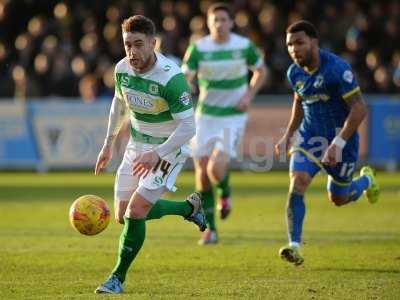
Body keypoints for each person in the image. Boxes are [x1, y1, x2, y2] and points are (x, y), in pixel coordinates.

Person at [93, 15, 207, 294]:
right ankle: (188, 208)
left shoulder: (171, 78)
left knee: (136, 210)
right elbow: (118, 106)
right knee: (122, 215)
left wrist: (158, 153)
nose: (132, 52)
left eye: (138, 44)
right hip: (137, 147)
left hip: (169, 149)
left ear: (153, 43)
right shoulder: (121, 70)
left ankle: (116, 278)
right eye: (127, 45)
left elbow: (189, 126)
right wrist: (107, 144)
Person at [274, 20, 380, 266]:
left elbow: (359, 109)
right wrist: (289, 133)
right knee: (297, 182)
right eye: (289, 45)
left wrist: (338, 143)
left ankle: (366, 181)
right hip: (310, 137)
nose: (294, 49)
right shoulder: (294, 72)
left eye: (299, 43)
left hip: (342, 141)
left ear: (314, 42)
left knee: (339, 198)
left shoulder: (337, 69)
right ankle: (294, 245)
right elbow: (299, 101)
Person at [182, 2, 267, 245]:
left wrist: (249, 94)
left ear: (231, 22)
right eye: (214, 20)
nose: (219, 24)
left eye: (223, 19)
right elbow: (185, 75)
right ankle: (211, 230)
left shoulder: (243, 46)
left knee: (216, 169)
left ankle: (225, 195)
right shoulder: (199, 48)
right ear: (208, 24)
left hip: (232, 115)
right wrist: (186, 86)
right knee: (202, 174)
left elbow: (261, 70)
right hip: (205, 115)